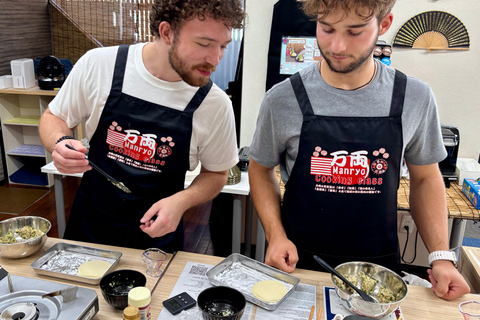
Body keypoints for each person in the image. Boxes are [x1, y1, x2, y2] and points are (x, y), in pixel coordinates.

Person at [248, 0, 469, 300]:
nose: (337, 45)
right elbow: (260, 169)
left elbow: (426, 179)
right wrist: (275, 236)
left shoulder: (414, 97)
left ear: (385, 24)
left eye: (355, 31)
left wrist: (441, 257)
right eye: (326, 29)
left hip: (378, 274)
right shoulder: (282, 99)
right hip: (298, 266)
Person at [38, 0, 245, 252]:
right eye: (203, 44)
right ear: (167, 32)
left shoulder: (215, 104)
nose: (215, 59)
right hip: (91, 225)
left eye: (223, 46)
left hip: (158, 239)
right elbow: (54, 117)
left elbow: (216, 174)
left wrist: (181, 201)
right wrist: (59, 143)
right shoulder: (100, 65)